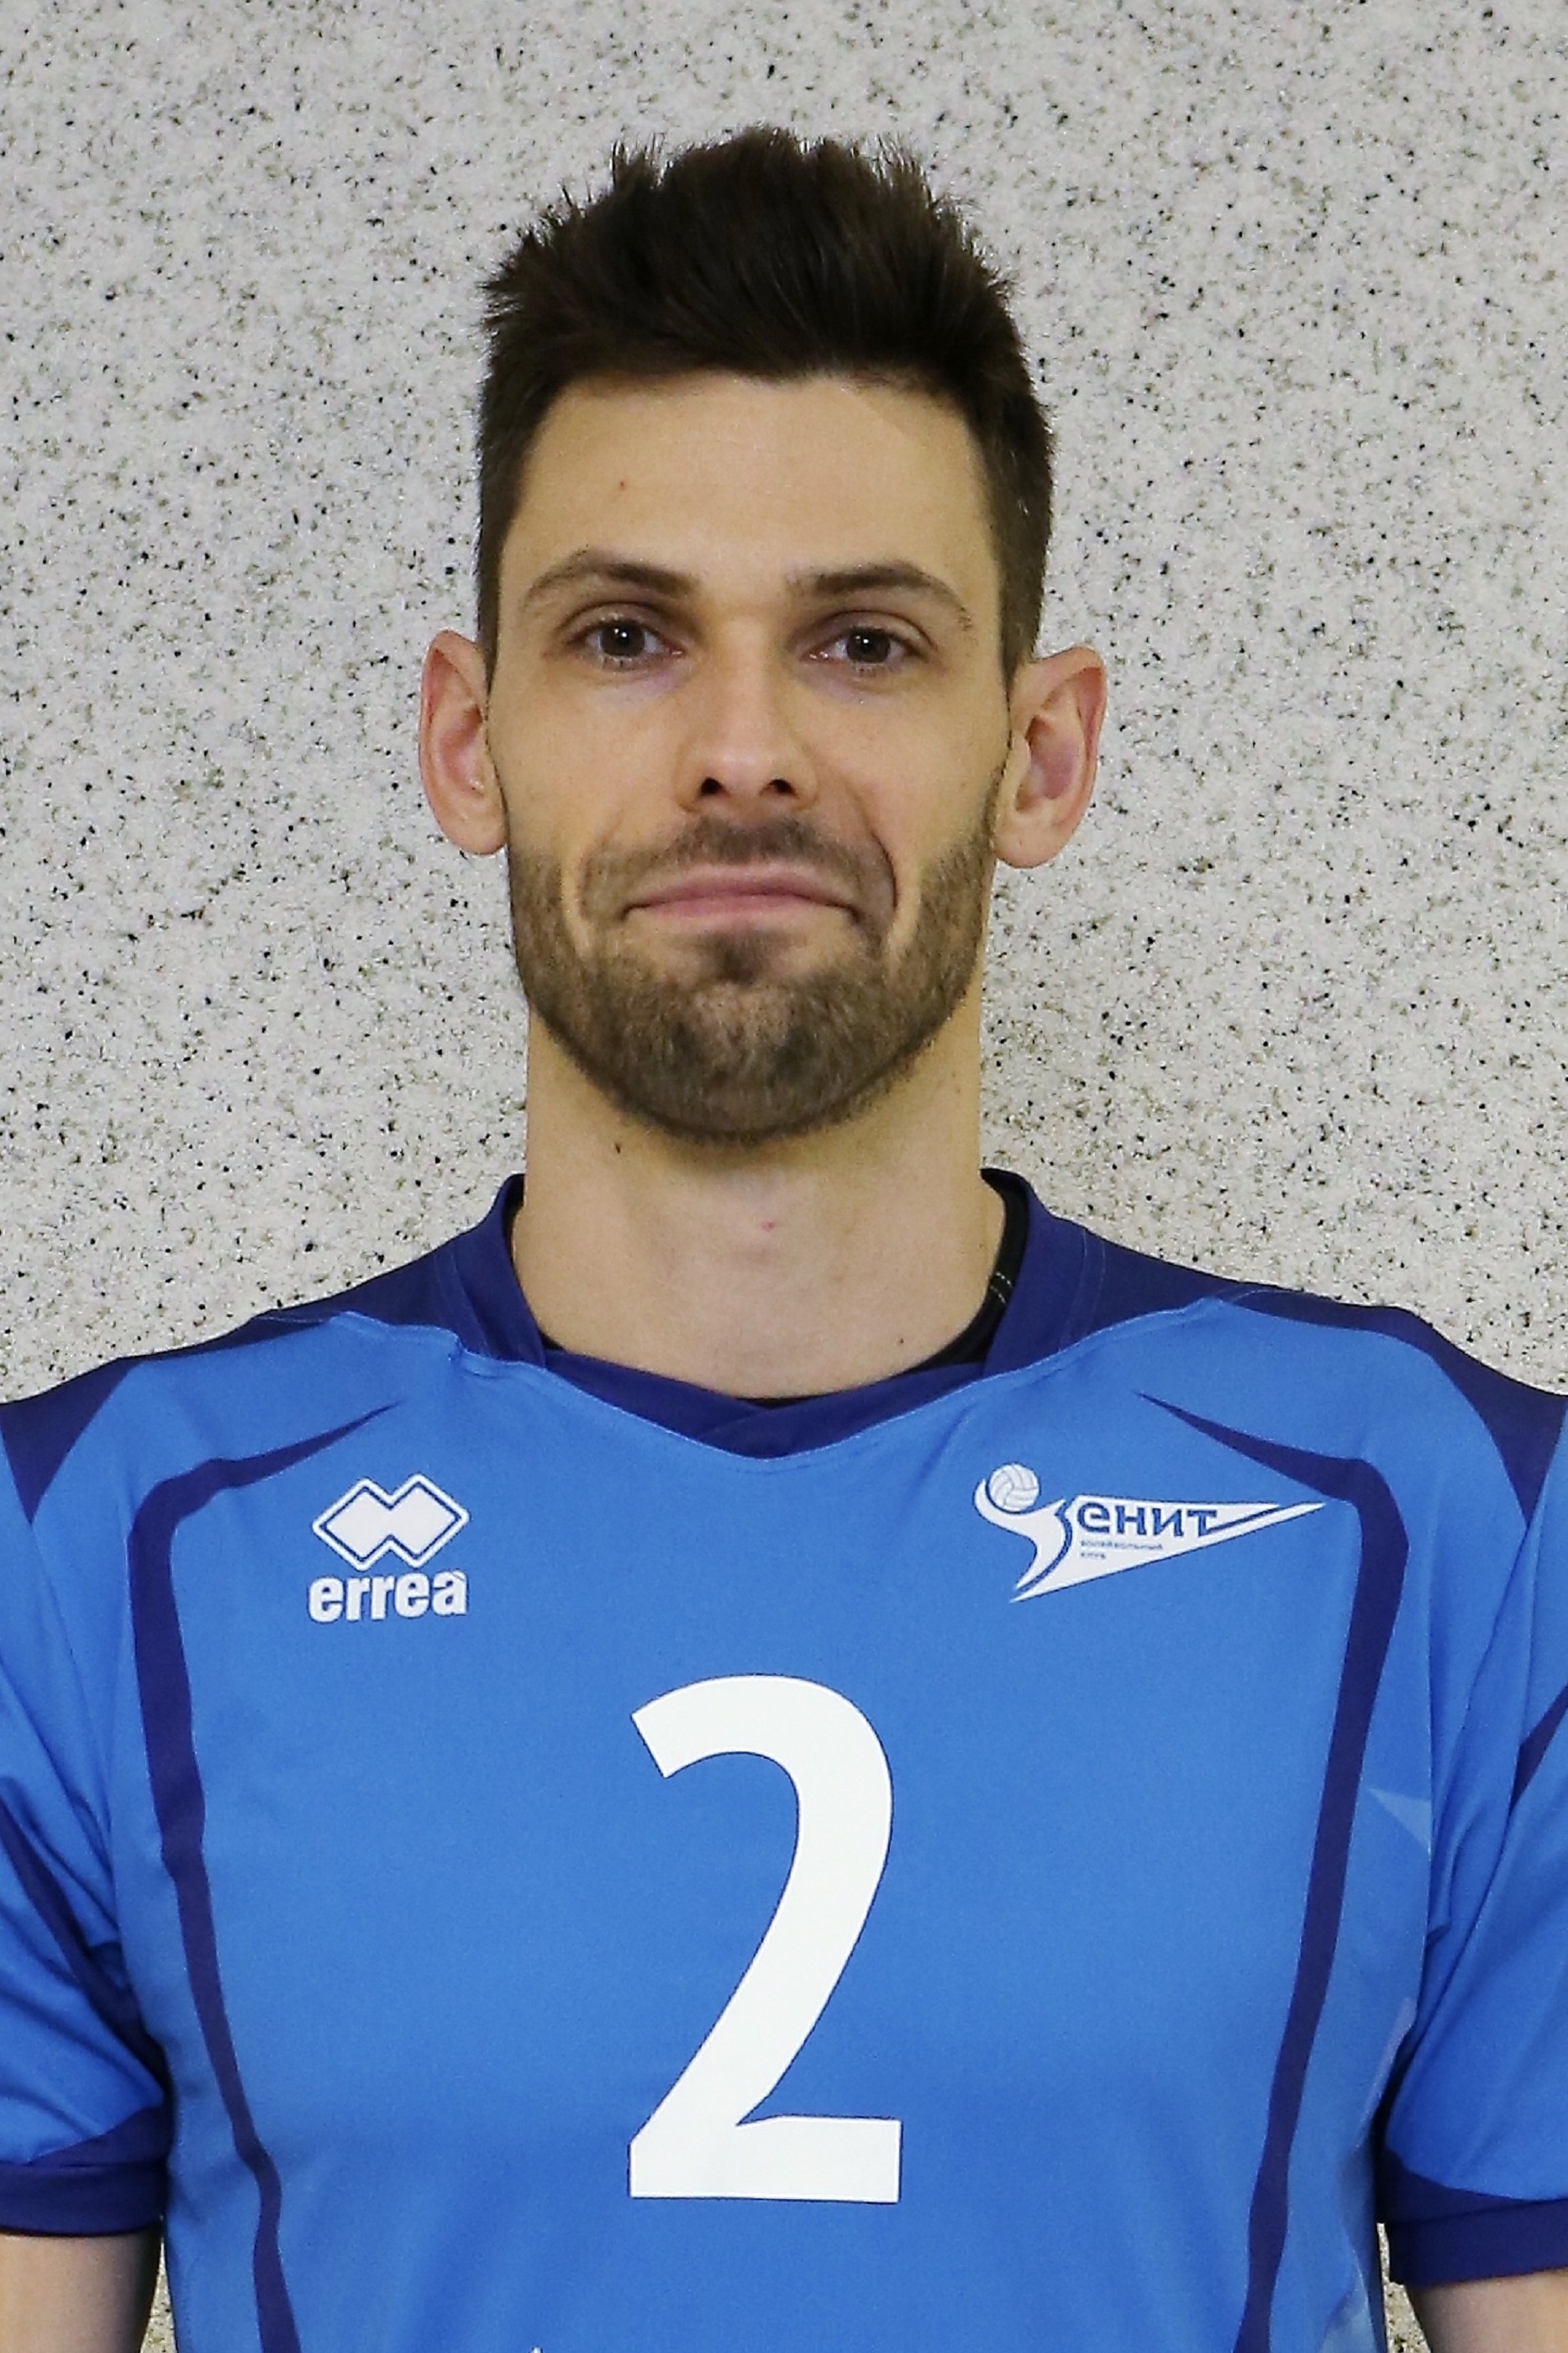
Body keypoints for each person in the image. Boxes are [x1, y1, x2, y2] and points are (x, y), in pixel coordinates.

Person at [0, 129, 1564, 2353]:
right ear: (469, 742)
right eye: (627, 637)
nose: (744, 753)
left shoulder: (1456, 1532)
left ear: (1040, 754)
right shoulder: (88, 1562)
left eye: (862, 642)